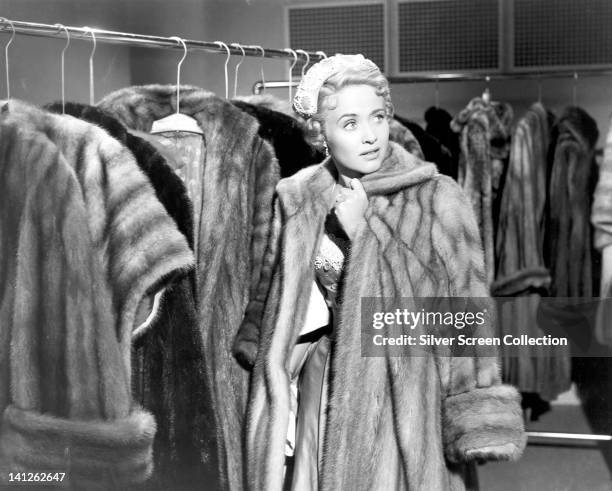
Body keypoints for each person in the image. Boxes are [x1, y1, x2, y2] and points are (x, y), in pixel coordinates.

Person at [234, 54, 526, 490]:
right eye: (350, 124)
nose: (370, 136)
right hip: (322, 387)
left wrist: (365, 235)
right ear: (321, 133)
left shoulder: (438, 198)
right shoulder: (298, 197)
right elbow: (275, 301)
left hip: (403, 398)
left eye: (378, 117)